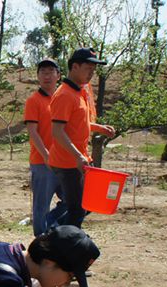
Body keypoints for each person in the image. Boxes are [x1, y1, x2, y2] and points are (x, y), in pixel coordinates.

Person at [47, 50, 117, 229]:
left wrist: (100, 128)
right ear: (74, 67)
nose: (92, 73)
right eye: (88, 68)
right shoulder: (64, 95)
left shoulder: (79, 93)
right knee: (78, 209)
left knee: (89, 203)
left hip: (78, 160)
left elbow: (79, 123)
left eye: (94, 69)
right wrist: (78, 156)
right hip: (67, 162)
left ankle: (54, 232)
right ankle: (60, 242)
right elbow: (57, 131)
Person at [25, 59, 66, 235]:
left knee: (74, 201)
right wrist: (47, 155)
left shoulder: (62, 99)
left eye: (51, 71)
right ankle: (41, 241)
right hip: (43, 163)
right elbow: (33, 132)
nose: (47, 76)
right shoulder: (34, 100)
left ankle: (53, 228)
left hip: (64, 161)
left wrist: (98, 128)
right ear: (38, 77)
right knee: (41, 205)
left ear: (58, 75)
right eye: (42, 72)